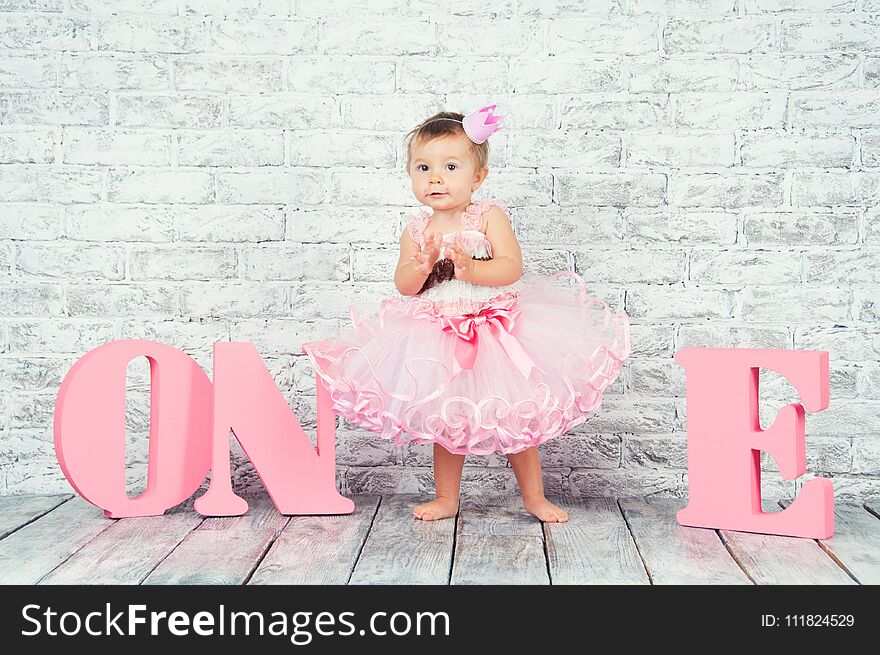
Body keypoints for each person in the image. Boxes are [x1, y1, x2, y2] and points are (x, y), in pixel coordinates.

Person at [302, 104, 631, 523]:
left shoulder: (488, 216)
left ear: (478, 177)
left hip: (493, 331)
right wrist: (418, 268)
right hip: (436, 335)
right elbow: (404, 285)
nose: (435, 177)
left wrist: (473, 268)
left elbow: (512, 266)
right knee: (447, 419)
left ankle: (534, 497)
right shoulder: (417, 229)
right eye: (422, 168)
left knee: (517, 418)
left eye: (450, 166)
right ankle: (446, 498)